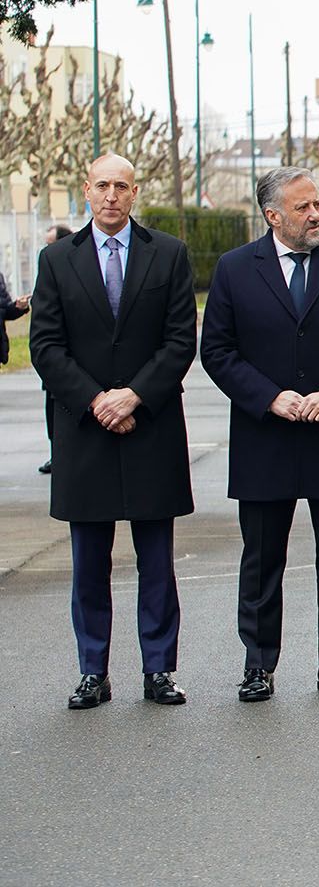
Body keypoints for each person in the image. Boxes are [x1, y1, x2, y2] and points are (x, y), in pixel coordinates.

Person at [200, 166, 319, 702]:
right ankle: (258, 665)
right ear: (272, 215)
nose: (315, 214)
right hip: (266, 438)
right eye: (303, 207)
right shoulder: (236, 269)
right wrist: (268, 397)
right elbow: (216, 350)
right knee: (262, 560)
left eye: (317, 204)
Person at [28, 153, 196, 709]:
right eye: (102, 186)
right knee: (88, 563)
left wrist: (134, 395)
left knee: (157, 561)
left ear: (135, 192)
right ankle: (92, 672)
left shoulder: (168, 255)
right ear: (85, 190)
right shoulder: (57, 259)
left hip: (150, 427)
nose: (111, 196)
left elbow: (179, 342)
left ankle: (159, 670)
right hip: (86, 431)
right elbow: (46, 346)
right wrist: (97, 399)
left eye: (121, 186)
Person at [37, 222, 73, 475]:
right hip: (63, 374)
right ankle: (56, 453)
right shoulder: (51, 263)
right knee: (53, 415)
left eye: (50, 242)